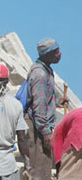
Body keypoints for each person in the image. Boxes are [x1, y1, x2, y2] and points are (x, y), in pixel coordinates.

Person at [26, 37, 68, 179]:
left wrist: (57, 102)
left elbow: (43, 98)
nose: (59, 54)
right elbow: (39, 106)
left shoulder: (46, 70)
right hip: (38, 128)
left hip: (41, 125)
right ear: (48, 54)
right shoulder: (40, 74)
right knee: (40, 171)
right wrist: (45, 132)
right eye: (56, 52)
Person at [51, 107, 82, 179]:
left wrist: (59, 168)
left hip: (77, 136)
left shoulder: (56, 136)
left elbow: (58, 159)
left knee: (70, 172)